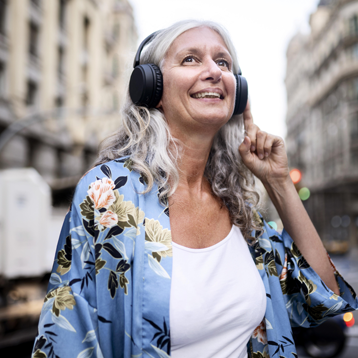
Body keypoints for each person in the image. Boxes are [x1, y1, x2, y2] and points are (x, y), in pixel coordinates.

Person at [32, 20, 357, 358]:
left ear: (237, 90)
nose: (214, 71)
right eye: (190, 59)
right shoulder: (107, 194)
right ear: (152, 88)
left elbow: (324, 296)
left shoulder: (240, 211)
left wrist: (278, 183)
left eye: (224, 62)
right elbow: (65, 338)